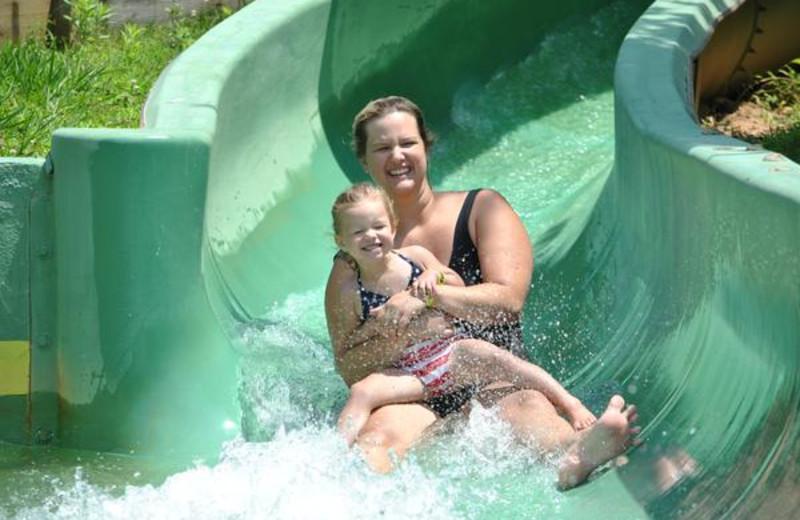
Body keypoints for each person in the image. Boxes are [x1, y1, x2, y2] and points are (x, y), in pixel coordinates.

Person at [324, 96, 639, 489]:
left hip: (488, 372)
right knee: (378, 440)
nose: (397, 156)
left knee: (526, 410)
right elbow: (350, 367)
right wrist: (403, 332)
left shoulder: (479, 209)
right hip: (412, 390)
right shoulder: (352, 262)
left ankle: (578, 452)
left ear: (427, 146)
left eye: (407, 143)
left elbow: (507, 303)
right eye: (383, 148)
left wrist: (424, 297)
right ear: (364, 161)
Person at [331, 183, 597, 446]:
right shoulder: (350, 291)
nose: (371, 236)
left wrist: (429, 281)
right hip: (409, 373)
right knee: (361, 392)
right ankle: (339, 449)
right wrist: (379, 327)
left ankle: (571, 405)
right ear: (341, 241)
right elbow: (352, 349)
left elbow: (454, 281)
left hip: (450, 355)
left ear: (393, 226)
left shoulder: (414, 256)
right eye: (359, 231)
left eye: (378, 226)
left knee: (508, 363)